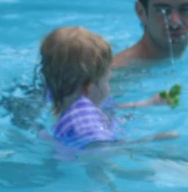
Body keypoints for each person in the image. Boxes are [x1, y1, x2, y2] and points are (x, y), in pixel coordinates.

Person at [39, 25, 179, 151]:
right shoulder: (84, 120)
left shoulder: (63, 95)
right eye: (106, 81)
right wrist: (148, 142)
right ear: (89, 87)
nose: (108, 87)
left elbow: (108, 108)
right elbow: (100, 150)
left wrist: (148, 103)